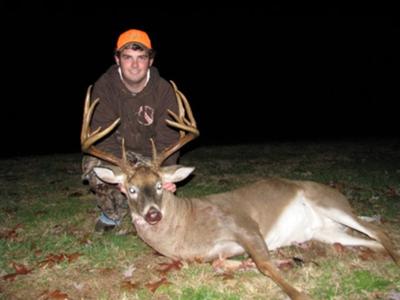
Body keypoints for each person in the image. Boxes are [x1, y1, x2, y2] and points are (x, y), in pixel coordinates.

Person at [82, 28, 180, 232]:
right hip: (118, 154)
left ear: (150, 61)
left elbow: (169, 137)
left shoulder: (163, 91)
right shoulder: (104, 88)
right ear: (117, 59)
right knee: (95, 168)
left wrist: (166, 173)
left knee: (156, 180)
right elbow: (103, 138)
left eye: (141, 57)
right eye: (127, 57)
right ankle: (113, 214)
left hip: (150, 158)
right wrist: (125, 173)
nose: (135, 65)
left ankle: (150, 203)